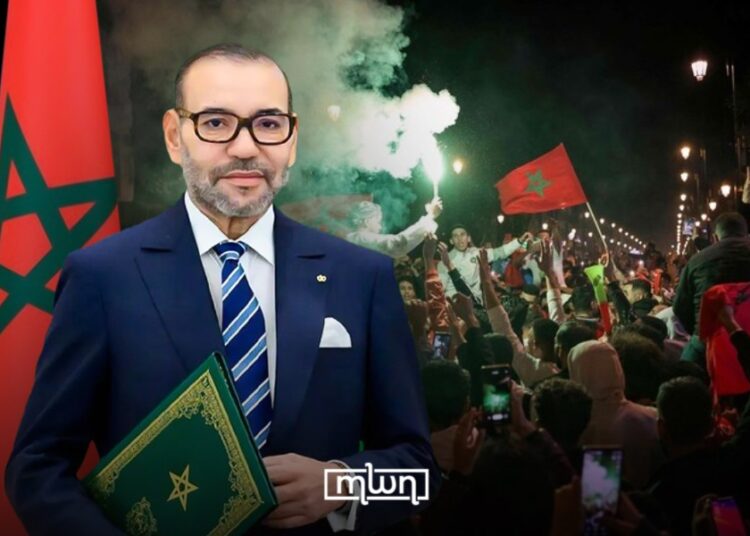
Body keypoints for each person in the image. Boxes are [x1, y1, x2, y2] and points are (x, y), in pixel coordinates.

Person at [6, 44, 438, 534]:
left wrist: (344, 485)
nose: (246, 147)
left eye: (268, 124)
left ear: (293, 139)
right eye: (215, 122)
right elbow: (36, 468)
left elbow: (420, 473)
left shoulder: (362, 276)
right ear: (175, 136)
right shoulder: (103, 276)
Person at [673, 211, 750, 366]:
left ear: (715, 237)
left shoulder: (696, 261)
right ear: (746, 235)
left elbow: (680, 307)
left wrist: (699, 330)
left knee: (683, 372)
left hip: (708, 343)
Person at [437, 224, 532, 305]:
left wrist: (519, 241)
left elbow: (500, 252)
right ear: (451, 241)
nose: (459, 239)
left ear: (468, 238)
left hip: (477, 303)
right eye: (455, 236)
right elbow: (440, 290)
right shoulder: (445, 260)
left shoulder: (476, 253)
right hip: (457, 305)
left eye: (462, 234)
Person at [346, 198, 443, 258]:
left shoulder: (354, 239)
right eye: (378, 222)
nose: (380, 227)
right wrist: (430, 215)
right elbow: (398, 243)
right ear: (367, 221)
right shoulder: (360, 238)